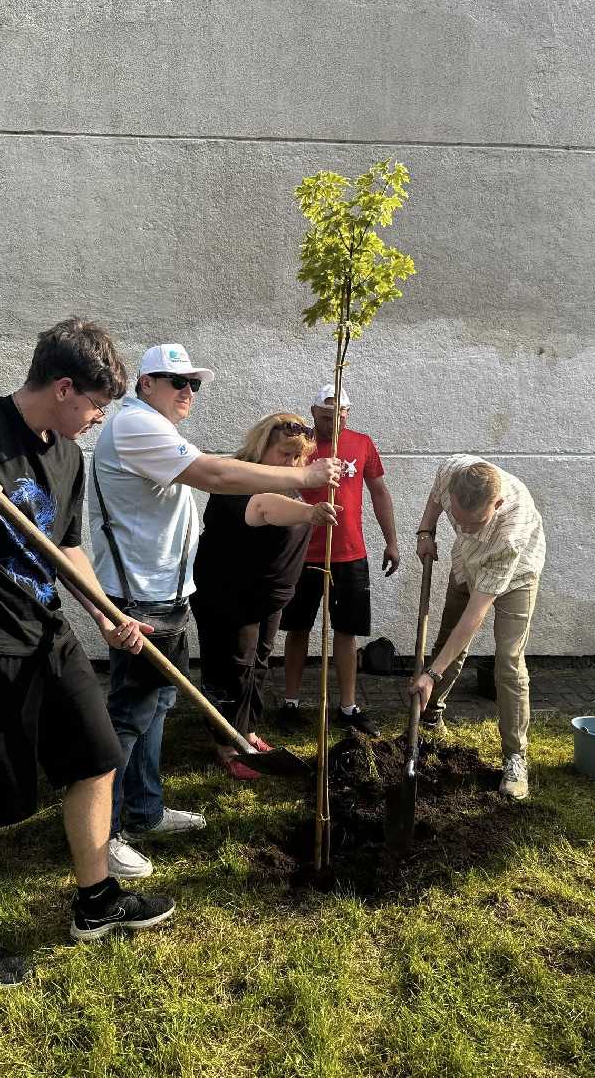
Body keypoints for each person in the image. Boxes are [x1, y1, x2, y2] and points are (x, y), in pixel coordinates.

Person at [0, 317, 174, 987]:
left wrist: (105, 614)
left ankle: (96, 899)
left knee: (98, 758)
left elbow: (66, 546)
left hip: (48, 635)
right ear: (64, 387)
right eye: (96, 405)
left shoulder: (68, 455)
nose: (99, 419)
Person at [89, 346, 340, 879]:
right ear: (145, 382)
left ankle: (144, 811)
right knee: (129, 716)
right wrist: (305, 478)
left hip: (167, 592)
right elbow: (217, 475)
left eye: (194, 384)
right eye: (176, 380)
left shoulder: (156, 428)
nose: (187, 391)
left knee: (157, 706)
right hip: (141, 596)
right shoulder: (136, 425)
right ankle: (104, 836)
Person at [190, 413, 341, 778]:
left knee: (258, 663)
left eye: (297, 457)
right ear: (261, 448)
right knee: (232, 669)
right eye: (284, 454)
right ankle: (227, 745)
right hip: (229, 596)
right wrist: (310, 511)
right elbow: (263, 508)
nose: (292, 464)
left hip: (266, 597)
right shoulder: (238, 480)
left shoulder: (283, 480)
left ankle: (247, 731)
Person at [409, 454, 546, 800]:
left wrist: (431, 673)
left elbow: (475, 616)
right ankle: (430, 717)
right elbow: (435, 500)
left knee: (509, 662)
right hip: (467, 563)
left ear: (496, 505)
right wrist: (425, 531)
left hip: (517, 576)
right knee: (446, 641)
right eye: (459, 520)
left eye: (474, 523)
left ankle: (515, 758)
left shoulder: (510, 531)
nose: (465, 529)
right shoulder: (452, 471)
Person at [279, 384, 399, 737]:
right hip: (303, 552)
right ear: (313, 413)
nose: (333, 423)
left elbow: (379, 492)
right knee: (297, 628)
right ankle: (290, 702)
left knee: (347, 631)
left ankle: (347, 706)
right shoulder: (300, 444)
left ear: (348, 414)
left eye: (340, 417)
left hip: (349, 553)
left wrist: (392, 541)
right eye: (326, 417)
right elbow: (278, 487)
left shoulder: (361, 443)